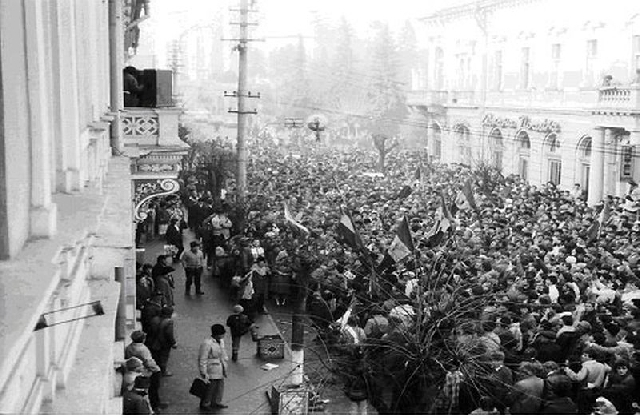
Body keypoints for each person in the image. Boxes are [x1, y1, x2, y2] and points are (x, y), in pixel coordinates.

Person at [124, 330, 165, 413]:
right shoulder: (143, 349)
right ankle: (155, 407)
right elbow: (149, 362)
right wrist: (156, 369)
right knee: (153, 389)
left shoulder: (129, 347)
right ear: (143, 339)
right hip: (146, 371)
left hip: (138, 370)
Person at [198, 324, 229, 411]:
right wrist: (203, 372)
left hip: (220, 367)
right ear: (216, 334)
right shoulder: (207, 343)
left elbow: (223, 352)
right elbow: (203, 358)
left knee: (219, 386)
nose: (223, 336)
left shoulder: (221, 341)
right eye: (222, 334)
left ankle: (216, 402)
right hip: (211, 368)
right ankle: (206, 403)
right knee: (210, 387)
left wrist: (225, 360)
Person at [147, 306, 177, 377]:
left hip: (152, 342)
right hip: (163, 343)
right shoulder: (169, 322)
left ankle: (153, 369)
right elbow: (169, 334)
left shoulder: (154, 319)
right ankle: (163, 371)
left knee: (155, 356)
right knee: (163, 358)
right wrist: (173, 343)